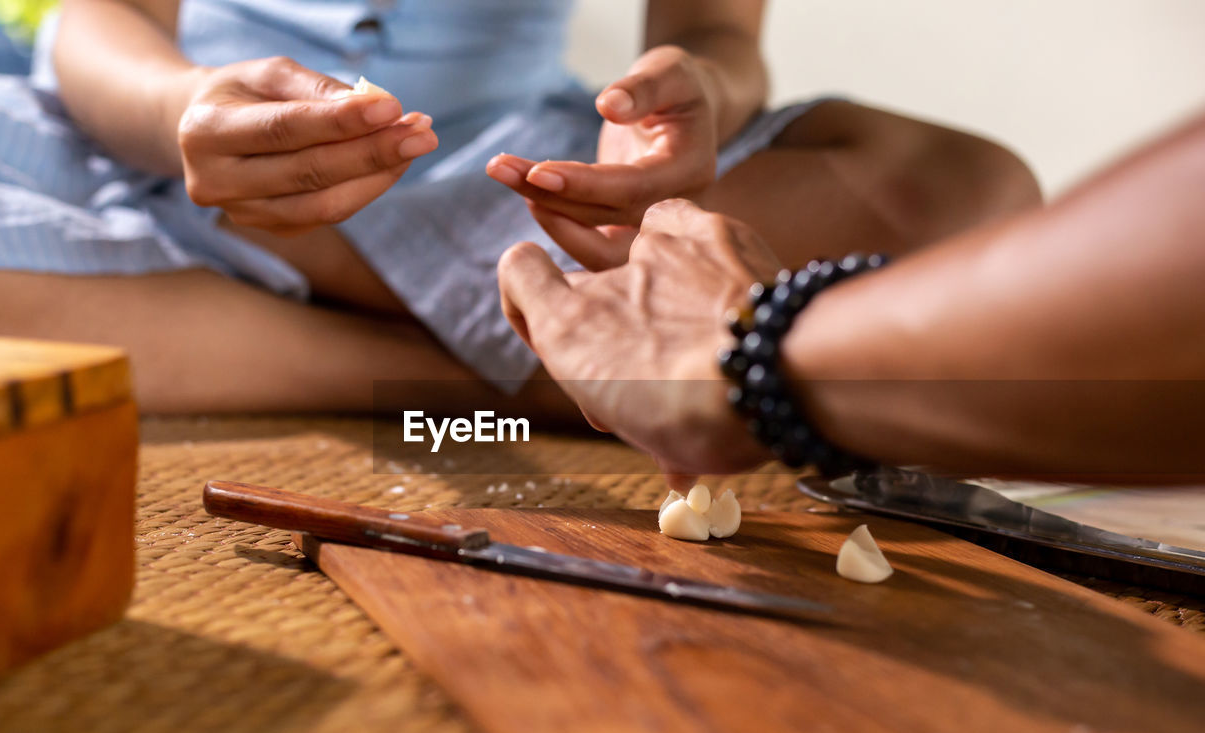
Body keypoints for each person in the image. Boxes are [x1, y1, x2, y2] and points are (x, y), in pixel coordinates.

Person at [0, 0, 1038, 413]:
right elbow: (99, 19)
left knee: (966, 195)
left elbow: (719, 34)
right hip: (144, 148)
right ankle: (499, 368)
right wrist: (178, 115)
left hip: (524, 175)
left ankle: (359, 302)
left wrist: (695, 92)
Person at [497, 111, 1205, 483]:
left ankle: (433, 363)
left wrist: (753, 351)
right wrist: (768, 342)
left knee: (975, 185)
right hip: (437, 182)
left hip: (550, 129)